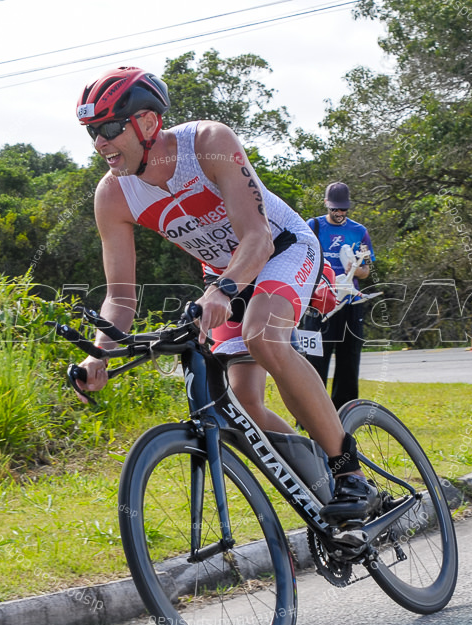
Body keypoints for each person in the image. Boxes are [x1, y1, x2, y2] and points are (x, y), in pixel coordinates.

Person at [73, 66, 380, 532]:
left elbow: (255, 238)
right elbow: (120, 297)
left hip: (281, 249)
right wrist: (98, 353)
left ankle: (349, 473)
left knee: (263, 338)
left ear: (149, 124)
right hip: (224, 275)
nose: (100, 142)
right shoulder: (112, 195)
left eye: (110, 128)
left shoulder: (208, 143)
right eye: (93, 132)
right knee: (241, 401)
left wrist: (223, 290)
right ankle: (322, 491)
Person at [301, 182, 375, 410]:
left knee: (349, 361)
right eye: (335, 208)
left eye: (343, 209)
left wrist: (355, 266)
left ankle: (345, 413)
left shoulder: (359, 231)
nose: (340, 213)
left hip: (349, 303)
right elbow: (301, 260)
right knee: (313, 362)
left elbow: (367, 270)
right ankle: (310, 413)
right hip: (318, 304)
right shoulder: (312, 227)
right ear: (326, 204)